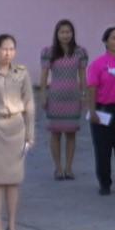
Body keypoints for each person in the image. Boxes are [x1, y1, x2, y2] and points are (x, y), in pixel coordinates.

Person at [0, 35, 34, 230]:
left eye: (12, 49)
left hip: (16, 127)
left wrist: (30, 134)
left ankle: (12, 225)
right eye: (4, 49)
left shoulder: (21, 73)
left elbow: (29, 103)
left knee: (14, 180)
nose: (8, 53)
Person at [39, 19, 90, 180]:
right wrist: (43, 94)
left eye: (68, 32)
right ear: (57, 34)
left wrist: (84, 95)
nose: (66, 35)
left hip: (73, 97)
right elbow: (44, 75)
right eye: (62, 32)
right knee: (55, 133)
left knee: (71, 133)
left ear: (72, 33)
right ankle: (58, 168)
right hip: (55, 97)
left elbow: (82, 75)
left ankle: (69, 168)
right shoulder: (49, 52)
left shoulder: (80, 52)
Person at [88, 26, 115, 195]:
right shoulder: (97, 64)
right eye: (113, 38)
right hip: (103, 110)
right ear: (105, 41)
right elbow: (92, 88)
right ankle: (104, 183)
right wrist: (92, 111)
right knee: (103, 150)